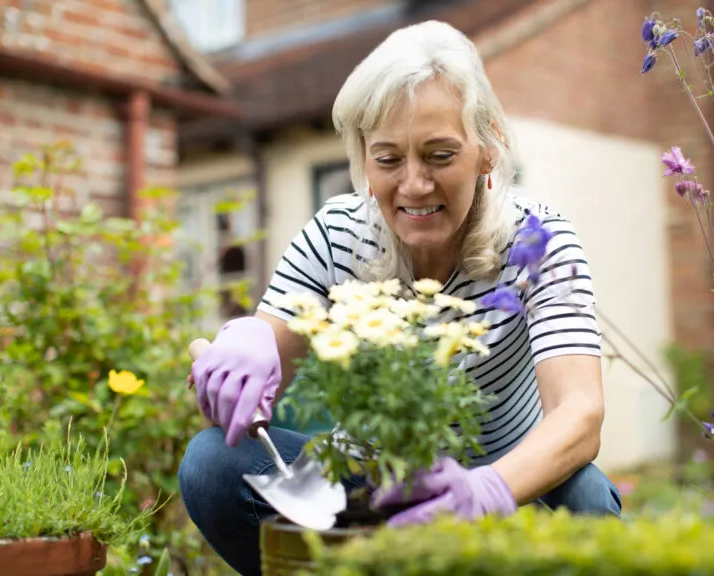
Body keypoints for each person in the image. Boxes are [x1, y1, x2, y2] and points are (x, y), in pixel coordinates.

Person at [178, 19, 621, 576]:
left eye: (439, 155)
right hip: (369, 489)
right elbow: (274, 361)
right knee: (214, 463)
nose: (413, 184)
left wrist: (485, 490)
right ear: (363, 159)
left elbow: (579, 413)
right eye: (388, 160)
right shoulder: (337, 232)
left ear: (487, 149)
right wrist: (249, 344)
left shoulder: (537, 241)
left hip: (509, 485)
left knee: (584, 500)